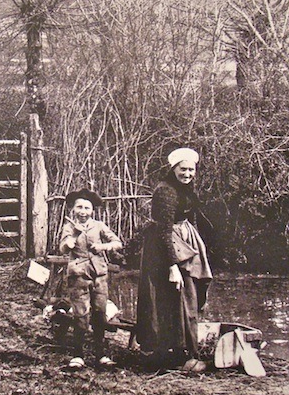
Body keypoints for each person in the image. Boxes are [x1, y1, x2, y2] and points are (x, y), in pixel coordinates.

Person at [136, 147, 213, 372]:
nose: (187, 173)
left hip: (184, 241)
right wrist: (172, 266)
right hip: (163, 247)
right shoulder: (165, 191)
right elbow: (164, 229)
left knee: (188, 293)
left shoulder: (188, 189)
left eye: (191, 170)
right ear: (173, 168)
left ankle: (182, 349)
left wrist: (197, 248)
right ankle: (165, 352)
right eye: (183, 169)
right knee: (168, 295)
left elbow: (192, 217)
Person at [59, 188, 123, 369]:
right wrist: (70, 241)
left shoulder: (99, 226)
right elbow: (63, 248)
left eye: (87, 208)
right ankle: (78, 355)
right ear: (73, 209)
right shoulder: (69, 227)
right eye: (79, 207)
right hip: (78, 276)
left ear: (92, 211)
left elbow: (118, 243)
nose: (83, 212)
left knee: (100, 313)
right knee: (81, 314)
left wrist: (102, 247)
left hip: (99, 276)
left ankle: (100, 355)